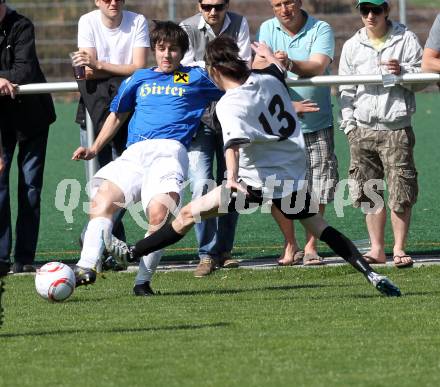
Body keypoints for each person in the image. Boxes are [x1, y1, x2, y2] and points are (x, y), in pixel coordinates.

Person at [107, 36, 401, 297]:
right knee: (320, 227)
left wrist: (231, 177)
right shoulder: (269, 80)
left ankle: (132, 252)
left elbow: (232, 144)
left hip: (252, 182)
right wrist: (269, 55)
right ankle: (372, 274)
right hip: (291, 177)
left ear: (212, 70)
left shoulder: (229, 103)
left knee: (186, 214)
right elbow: (276, 68)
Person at [71, 21, 223, 296]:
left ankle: (142, 282)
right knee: (102, 202)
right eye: (162, 49)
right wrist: (94, 148)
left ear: (183, 52)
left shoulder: (196, 77)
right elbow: (117, 114)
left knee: (159, 214)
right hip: (135, 153)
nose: (167, 55)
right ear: (154, 49)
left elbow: (234, 88)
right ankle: (86, 267)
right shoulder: (139, 78)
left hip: (170, 152)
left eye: (174, 50)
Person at [338, 0, 423, 267]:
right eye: (365, 10)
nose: (370, 15)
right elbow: (344, 90)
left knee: (401, 190)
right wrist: (350, 126)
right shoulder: (352, 45)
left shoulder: (407, 39)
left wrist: (403, 73)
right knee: (368, 191)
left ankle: (399, 248)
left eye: (376, 10)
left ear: (387, 10)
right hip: (362, 129)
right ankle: (377, 249)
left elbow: (426, 79)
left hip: (396, 127)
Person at [256, 0, 338, 266]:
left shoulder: (320, 28)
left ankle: (311, 245)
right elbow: (257, 67)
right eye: (277, 4)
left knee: (319, 185)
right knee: (279, 187)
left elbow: (318, 65)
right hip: (279, 125)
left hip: (317, 121)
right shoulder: (267, 28)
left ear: (300, 2)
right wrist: (272, 63)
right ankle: (290, 244)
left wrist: (287, 63)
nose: (284, 9)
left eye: (288, 2)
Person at [177, 0, 251, 277]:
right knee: (200, 186)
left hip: (233, 116)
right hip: (200, 119)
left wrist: (204, 68)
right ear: (199, 5)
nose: (213, 11)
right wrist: (217, 68)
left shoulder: (240, 23)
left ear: (227, 5)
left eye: (218, 5)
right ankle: (206, 253)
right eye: (207, 5)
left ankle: (224, 250)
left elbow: (242, 68)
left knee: (233, 184)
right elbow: (184, 73)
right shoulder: (186, 28)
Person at [71, 0, 150, 262]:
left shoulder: (137, 20)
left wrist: (100, 65)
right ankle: (109, 251)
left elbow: (140, 67)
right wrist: (116, 71)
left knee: (127, 184)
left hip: (133, 113)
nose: (113, 2)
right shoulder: (87, 21)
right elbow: (85, 72)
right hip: (94, 112)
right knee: (98, 185)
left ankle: (90, 237)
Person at [0, 0, 56, 274]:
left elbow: (25, 70)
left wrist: (3, 79)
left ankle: (24, 258)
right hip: (1, 122)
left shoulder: (21, 26)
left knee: (30, 188)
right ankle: (1, 258)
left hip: (32, 118)